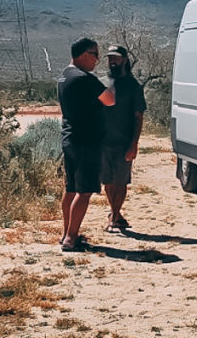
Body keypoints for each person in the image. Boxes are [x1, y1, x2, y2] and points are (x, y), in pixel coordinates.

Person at [57, 37, 105, 251]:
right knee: (84, 191)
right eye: (95, 54)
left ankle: (66, 232)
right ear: (84, 54)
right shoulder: (86, 79)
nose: (98, 59)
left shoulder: (64, 76)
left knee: (70, 189)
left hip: (69, 138)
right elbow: (110, 99)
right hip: (87, 141)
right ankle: (71, 238)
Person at [99, 44, 146, 232]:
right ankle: (115, 214)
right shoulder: (100, 83)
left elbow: (138, 117)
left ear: (125, 59)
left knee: (121, 181)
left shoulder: (133, 86)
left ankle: (114, 218)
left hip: (124, 142)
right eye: (110, 57)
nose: (112, 61)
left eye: (116, 57)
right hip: (102, 142)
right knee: (107, 182)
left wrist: (134, 143)